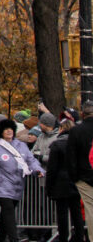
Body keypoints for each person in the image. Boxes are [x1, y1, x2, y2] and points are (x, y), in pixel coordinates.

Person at [46, 121, 85, 242]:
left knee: (62, 214)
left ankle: (63, 238)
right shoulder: (79, 145)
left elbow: (52, 168)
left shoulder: (57, 145)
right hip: (76, 182)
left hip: (60, 183)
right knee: (76, 212)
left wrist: (49, 187)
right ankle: (79, 237)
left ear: (62, 128)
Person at [65, 100, 93, 241]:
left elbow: (71, 156)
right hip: (85, 173)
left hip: (84, 177)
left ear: (82, 114)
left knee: (90, 210)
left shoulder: (76, 131)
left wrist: (74, 177)